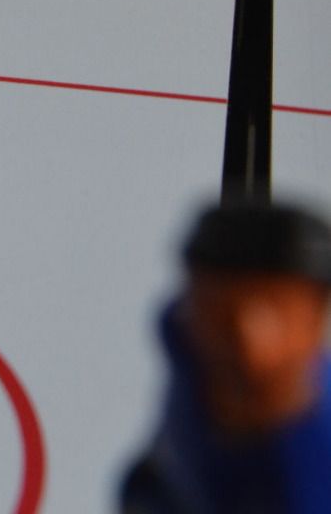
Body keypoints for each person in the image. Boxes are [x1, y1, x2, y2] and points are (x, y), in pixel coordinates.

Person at [121, 201, 331, 513]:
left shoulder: (305, 476)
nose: (250, 345)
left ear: (316, 323)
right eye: (222, 312)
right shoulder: (183, 344)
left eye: (279, 313)